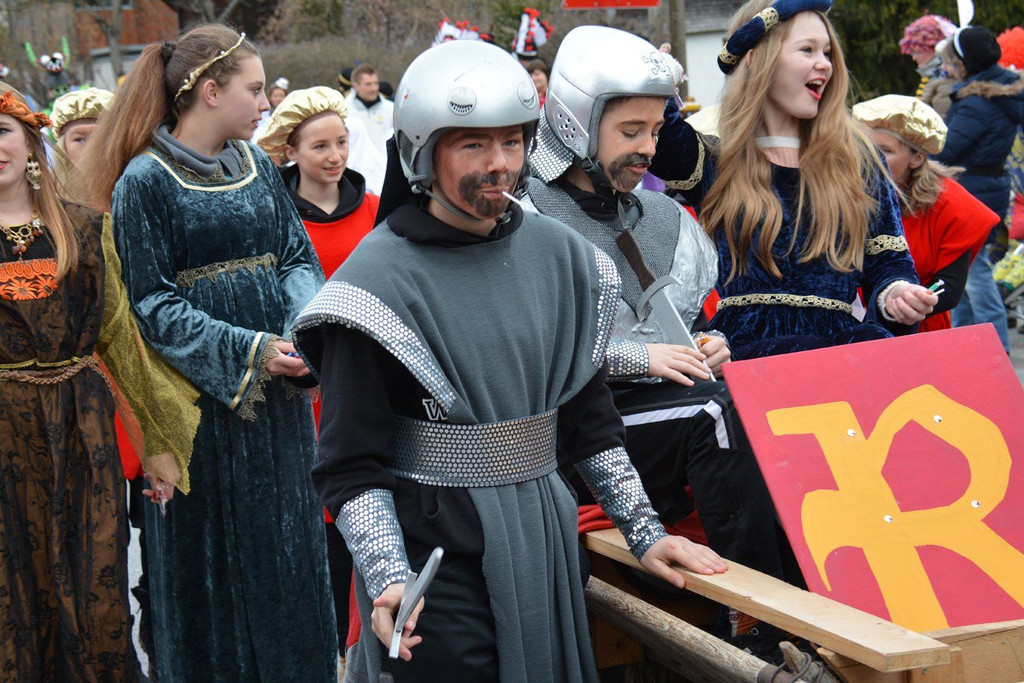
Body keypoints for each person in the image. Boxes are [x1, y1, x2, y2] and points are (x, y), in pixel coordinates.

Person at [293, 39, 727, 682]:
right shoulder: (373, 287)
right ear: (422, 151)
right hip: (432, 558)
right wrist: (389, 576)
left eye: (512, 141)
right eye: (473, 144)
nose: (498, 163)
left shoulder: (563, 257)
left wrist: (646, 532)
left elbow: (588, 422)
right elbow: (349, 464)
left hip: (542, 539)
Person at [525, 24, 804, 660]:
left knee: (760, 404)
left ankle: (814, 607)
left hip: (658, 417)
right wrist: (638, 357)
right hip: (564, 436)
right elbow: (528, 355)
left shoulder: (665, 218)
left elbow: (686, 323)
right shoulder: (524, 222)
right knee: (716, 413)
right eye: (631, 131)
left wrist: (708, 344)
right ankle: (761, 625)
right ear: (574, 121)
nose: (649, 149)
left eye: (655, 130)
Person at [79, 24, 337, 681]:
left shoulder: (256, 165)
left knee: (285, 550)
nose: (265, 103)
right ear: (211, 91)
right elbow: (152, 305)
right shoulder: (146, 180)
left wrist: (302, 332)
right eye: (255, 88)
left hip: (279, 406)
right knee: (213, 563)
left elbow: (296, 257)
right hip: (195, 412)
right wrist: (250, 350)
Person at [0, 81, 199, 682]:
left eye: (1, 132)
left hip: (81, 428)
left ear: (30, 144)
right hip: (3, 433)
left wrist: (156, 443)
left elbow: (120, 339)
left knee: (95, 585)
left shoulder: (86, 228)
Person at [650, 0, 935, 360]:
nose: (825, 64)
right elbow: (654, 135)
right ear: (756, 59)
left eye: (827, 52)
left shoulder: (859, 158)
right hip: (744, 357)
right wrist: (656, 78)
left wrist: (896, 294)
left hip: (840, 355)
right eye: (807, 50)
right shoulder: (715, 159)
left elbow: (888, 262)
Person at [258, 84, 379, 654]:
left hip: (366, 381)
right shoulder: (272, 218)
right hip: (303, 388)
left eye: (342, 142)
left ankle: (363, 642)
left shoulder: (375, 210)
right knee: (316, 517)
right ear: (291, 150)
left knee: (366, 506)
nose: (335, 156)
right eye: (320, 146)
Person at [854, 94, 1000, 333]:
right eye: (865, 147)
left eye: (885, 150)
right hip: (847, 328)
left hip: (918, 330)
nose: (871, 158)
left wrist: (908, 304)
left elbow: (949, 286)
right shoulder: (840, 193)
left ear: (917, 158)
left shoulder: (951, 204)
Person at [936, 26, 1024, 353]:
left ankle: (993, 349)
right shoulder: (1000, 94)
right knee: (968, 270)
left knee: (973, 275)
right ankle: (969, 346)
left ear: (964, 64)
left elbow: (946, 149)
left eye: (950, 61)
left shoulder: (977, 102)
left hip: (972, 188)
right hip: (988, 186)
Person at [899, 14, 957, 118]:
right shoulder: (932, 76)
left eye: (917, 52)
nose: (914, 58)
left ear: (934, 48)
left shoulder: (944, 77)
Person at [344, 64, 393, 160]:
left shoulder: (391, 109)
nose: (374, 88)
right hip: (355, 166)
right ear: (356, 86)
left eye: (376, 83)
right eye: (368, 84)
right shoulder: (345, 109)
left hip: (384, 165)